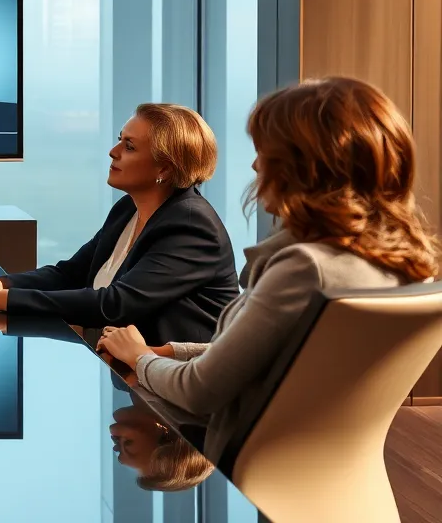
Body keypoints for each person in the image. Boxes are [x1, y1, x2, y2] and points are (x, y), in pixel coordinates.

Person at [99, 77, 440, 461]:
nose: (255, 164)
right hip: (334, 465)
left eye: (266, 152)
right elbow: (273, 355)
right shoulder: (401, 263)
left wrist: (139, 358)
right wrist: (172, 351)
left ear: (306, 165)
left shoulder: (304, 270)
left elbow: (199, 392)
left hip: (253, 462)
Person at [0, 103, 238, 345]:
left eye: (129, 146)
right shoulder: (128, 209)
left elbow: (115, 305)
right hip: (130, 369)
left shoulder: (190, 225)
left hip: (177, 389)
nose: (113, 151)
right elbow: (69, 274)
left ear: (164, 167)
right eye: (120, 139)